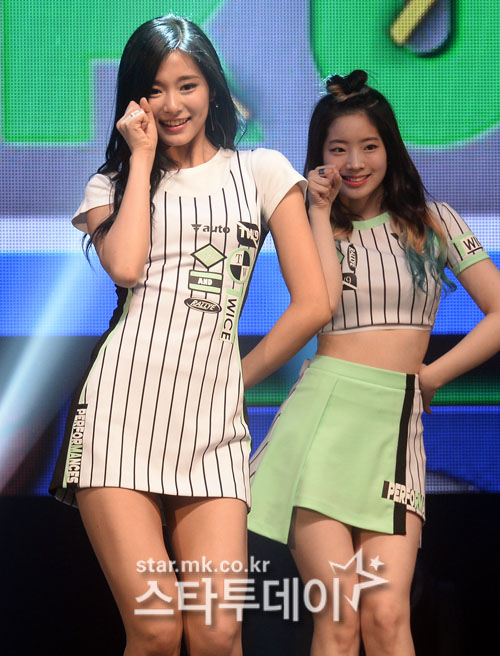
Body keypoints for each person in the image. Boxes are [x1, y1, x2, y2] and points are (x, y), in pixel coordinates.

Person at [49, 15, 334, 656]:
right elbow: (126, 267)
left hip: (214, 428)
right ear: (135, 100)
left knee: (218, 632)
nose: (172, 104)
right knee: (155, 628)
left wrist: (238, 376)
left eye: (187, 85)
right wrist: (141, 158)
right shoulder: (111, 185)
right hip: (120, 412)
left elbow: (314, 302)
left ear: (212, 87)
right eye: (154, 89)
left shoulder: (262, 171)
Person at [248, 70, 500, 656]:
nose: (356, 162)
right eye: (338, 149)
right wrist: (317, 211)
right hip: (322, 424)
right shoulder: (309, 224)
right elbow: (320, 304)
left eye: (369, 146)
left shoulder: (435, 222)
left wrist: (433, 375)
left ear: (391, 148)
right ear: (319, 156)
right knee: (338, 619)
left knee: (387, 616)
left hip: (395, 426)